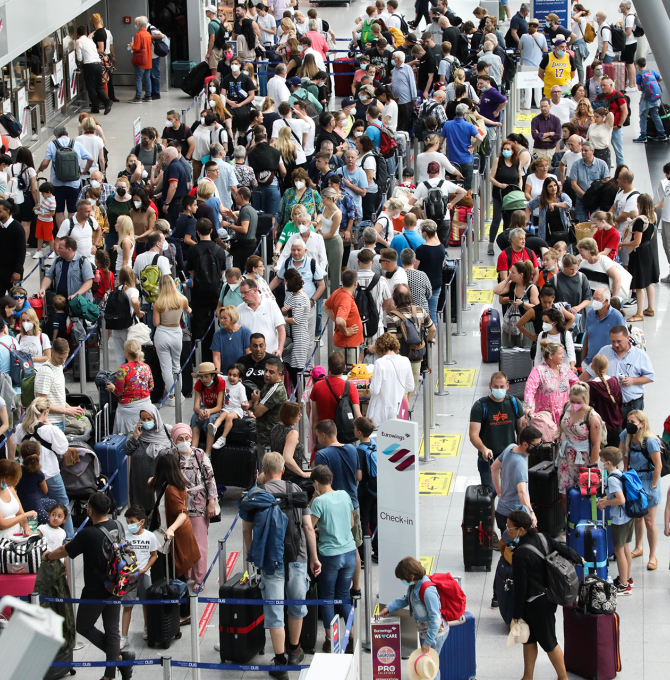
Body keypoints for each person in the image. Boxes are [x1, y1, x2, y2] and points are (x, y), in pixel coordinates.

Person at [240, 452, 319, 675]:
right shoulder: (296, 491)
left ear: (263, 471)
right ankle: (295, 651)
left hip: (269, 559)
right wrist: (313, 558)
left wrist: (252, 553)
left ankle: (280, 663)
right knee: (296, 605)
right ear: (283, 469)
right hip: (297, 557)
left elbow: (247, 530)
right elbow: (308, 528)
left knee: (274, 611)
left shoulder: (256, 494)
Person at [45, 492, 137, 679]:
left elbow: (65, 550)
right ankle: (111, 673)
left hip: (96, 590)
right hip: (117, 584)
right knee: (112, 630)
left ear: (89, 511)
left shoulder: (87, 533)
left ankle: (118, 660)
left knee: (84, 626)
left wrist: (46, 556)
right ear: (109, 509)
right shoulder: (117, 524)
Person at [508, 510, 582, 680]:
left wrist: (516, 615)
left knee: (549, 642)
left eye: (510, 528)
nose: (507, 531)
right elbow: (561, 548)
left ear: (521, 530)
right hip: (547, 598)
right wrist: (577, 557)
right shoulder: (542, 537)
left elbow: (521, 588)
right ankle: (527, 676)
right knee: (529, 639)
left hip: (535, 605)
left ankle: (563, 677)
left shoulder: (520, 554)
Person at [308, 463, 357, 651]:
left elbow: (310, 528)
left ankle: (330, 640)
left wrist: (314, 497)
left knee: (327, 598)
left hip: (330, 555)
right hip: (350, 552)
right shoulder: (345, 495)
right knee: (344, 595)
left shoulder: (320, 502)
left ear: (316, 483)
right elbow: (351, 523)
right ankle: (351, 637)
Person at [168, 423, 217, 588]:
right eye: (180, 439)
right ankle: (185, 573)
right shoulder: (170, 456)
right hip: (178, 504)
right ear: (174, 440)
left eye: (187, 438)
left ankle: (199, 578)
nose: (184, 441)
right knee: (182, 542)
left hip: (198, 504)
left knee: (199, 542)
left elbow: (210, 479)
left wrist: (211, 502)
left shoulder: (199, 454)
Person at [149, 455, 201, 599]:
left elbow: (182, 513)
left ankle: (181, 611)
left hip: (169, 539)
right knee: (176, 576)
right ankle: (182, 611)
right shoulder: (177, 485)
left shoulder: (171, 490)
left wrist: (171, 529)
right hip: (175, 538)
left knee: (169, 576)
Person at [469, 372, 524, 497]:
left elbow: (521, 430)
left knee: (512, 495)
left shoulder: (514, 404)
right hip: (488, 459)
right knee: (490, 495)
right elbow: (473, 434)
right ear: (490, 386)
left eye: (502, 387)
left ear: (507, 386)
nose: (499, 389)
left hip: (510, 458)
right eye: (496, 386)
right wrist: (483, 449)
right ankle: (491, 516)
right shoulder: (480, 406)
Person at [582, 325, 654, 417]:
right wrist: (575, 385)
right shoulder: (604, 351)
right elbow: (590, 371)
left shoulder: (640, 355)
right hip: (610, 407)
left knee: (630, 431)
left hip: (633, 405)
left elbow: (650, 377)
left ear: (628, 338)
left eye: (619, 341)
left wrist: (633, 381)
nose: (616, 345)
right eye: (613, 341)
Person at [622, 411, 661, 572]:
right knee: (637, 517)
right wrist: (624, 474)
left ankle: (653, 555)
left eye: (633, 421)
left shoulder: (650, 441)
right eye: (628, 420)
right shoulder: (627, 435)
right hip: (633, 480)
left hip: (648, 480)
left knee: (649, 521)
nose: (629, 423)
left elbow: (658, 465)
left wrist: (652, 486)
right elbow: (624, 455)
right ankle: (638, 547)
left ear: (642, 424)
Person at [119, 505, 160, 650]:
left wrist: (146, 568)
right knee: (127, 606)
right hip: (129, 577)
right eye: (128, 522)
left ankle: (147, 628)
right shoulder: (124, 536)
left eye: (132, 522)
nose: (129, 525)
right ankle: (124, 637)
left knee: (146, 603)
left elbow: (154, 555)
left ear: (141, 521)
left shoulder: (150, 536)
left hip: (145, 576)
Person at [38, 127, 93, 229]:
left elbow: (45, 163)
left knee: (59, 210)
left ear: (56, 135)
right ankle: (72, 232)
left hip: (57, 183)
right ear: (67, 134)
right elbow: (91, 159)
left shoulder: (52, 144)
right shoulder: (77, 144)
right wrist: (85, 170)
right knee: (72, 210)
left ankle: (62, 233)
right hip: (74, 183)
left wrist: (39, 170)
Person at [186, 218, 226, 354]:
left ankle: (199, 355)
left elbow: (191, 272)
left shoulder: (193, 250)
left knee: (199, 323)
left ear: (197, 232)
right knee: (218, 322)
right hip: (216, 292)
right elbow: (222, 272)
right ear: (211, 231)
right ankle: (215, 353)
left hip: (199, 292)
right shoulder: (220, 250)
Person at [557, 383, 602, 501]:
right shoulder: (567, 407)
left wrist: (592, 468)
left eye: (578, 402)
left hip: (583, 460)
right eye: (572, 401)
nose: (575, 405)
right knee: (564, 493)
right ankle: (567, 518)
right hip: (565, 458)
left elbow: (596, 443)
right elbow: (562, 426)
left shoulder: (592, 417)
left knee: (583, 494)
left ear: (586, 400)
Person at [619, 194, 659, 322]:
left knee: (640, 283)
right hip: (649, 250)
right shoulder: (653, 218)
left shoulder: (640, 221)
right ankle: (650, 308)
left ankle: (639, 313)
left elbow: (636, 242)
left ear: (639, 204)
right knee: (648, 282)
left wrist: (623, 244)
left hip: (639, 252)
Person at [124, 405, 170, 516]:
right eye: (143, 419)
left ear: (156, 418)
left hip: (160, 485)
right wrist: (135, 436)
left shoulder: (167, 431)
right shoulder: (136, 434)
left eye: (149, 419)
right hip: (140, 485)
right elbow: (127, 451)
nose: (146, 422)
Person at [386, 284, 435, 389]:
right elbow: (432, 328)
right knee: (412, 387)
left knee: (401, 388)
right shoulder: (419, 310)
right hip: (417, 354)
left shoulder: (392, 316)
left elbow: (392, 338)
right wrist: (429, 339)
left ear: (395, 298)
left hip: (400, 357)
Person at [152, 275, 190, 406]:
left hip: (162, 333)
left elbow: (156, 323)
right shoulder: (182, 299)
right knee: (176, 365)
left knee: (165, 367)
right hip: (176, 333)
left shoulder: (158, 302)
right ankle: (179, 393)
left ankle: (172, 395)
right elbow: (188, 310)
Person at [33, 338, 84, 433]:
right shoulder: (45, 372)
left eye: (65, 357)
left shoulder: (59, 367)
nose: (63, 361)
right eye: (60, 358)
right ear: (52, 352)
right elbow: (41, 404)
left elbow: (57, 397)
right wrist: (67, 411)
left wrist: (71, 409)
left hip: (60, 420)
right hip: (49, 422)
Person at [310, 352, 362, 442]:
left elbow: (315, 417)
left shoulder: (317, 386)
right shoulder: (351, 387)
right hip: (346, 436)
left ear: (329, 368)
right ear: (345, 368)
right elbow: (358, 415)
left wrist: (315, 441)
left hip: (325, 436)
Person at [525, 339, 579, 425]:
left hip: (565, 415)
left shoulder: (564, 368)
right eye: (560, 353)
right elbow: (530, 390)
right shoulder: (539, 370)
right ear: (551, 355)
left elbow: (576, 383)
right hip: (546, 418)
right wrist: (529, 407)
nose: (563, 356)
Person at [107, 339, 154, 436]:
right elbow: (151, 387)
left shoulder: (122, 370)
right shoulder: (146, 367)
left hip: (127, 410)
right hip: (146, 405)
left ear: (126, 352)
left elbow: (119, 392)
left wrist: (112, 388)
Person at [367, 332, 414, 423]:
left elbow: (374, 390)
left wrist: (372, 380)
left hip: (380, 411)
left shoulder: (380, 363)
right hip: (398, 409)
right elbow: (410, 387)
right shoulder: (405, 361)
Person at [248, 355, 287, 457]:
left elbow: (257, 412)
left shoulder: (276, 390)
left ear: (279, 374)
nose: (266, 374)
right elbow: (259, 403)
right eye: (265, 370)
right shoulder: (269, 385)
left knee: (268, 470)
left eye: (271, 372)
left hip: (270, 439)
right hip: (264, 437)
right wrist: (249, 405)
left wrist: (255, 402)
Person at [494, 261, 539, 347]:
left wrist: (522, 304)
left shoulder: (532, 288)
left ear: (521, 275)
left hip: (527, 324)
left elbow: (536, 307)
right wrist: (507, 279)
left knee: (526, 350)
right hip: (511, 322)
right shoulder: (512, 285)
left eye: (513, 272)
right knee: (509, 348)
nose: (510, 274)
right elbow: (496, 290)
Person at [324, 270, 364, 365]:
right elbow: (340, 321)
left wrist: (335, 319)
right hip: (348, 346)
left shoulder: (337, 292)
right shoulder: (346, 300)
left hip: (345, 344)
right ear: (355, 283)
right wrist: (346, 331)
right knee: (350, 373)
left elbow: (327, 306)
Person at [238, 279, 286, 356]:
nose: (242, 296)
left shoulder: (271, 304)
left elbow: (281, 329)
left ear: (255, 290)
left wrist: (280, 349)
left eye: (245, 292)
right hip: (249, 357)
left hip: (271, 355)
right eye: (241, 293)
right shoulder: (239, 309)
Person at [581, 288, 625, 369]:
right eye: (593, 299)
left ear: (606, 301)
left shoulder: (617, 317)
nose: (594, 302)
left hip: (608, 366)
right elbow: (587, 336)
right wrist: (583, 361)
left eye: (597, 299)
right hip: (589, 363)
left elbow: (623, 342)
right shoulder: (591, 314)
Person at [488, 140, 522, 249]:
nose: (506, 151)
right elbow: (491, 178)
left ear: (513, 151)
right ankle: (491, 244)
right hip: (499, 194)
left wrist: (519, 189)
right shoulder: (498, 161)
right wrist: (499, 184)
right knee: (496, 219)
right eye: (504, 149)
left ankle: (507, 245)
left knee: (509, 220)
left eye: (508, 149)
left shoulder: (517, 162)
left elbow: (519, 178)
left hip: (512, 196)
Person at [588, 354, 624, 447]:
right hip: (616, 426)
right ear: (607, 367)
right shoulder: (614, 380)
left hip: (600, 428)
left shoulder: (591, 386)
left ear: (592, 367)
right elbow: (620, 402)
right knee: (614, 457)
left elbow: (590, 408)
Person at [75, 26, 113, 115]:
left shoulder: (78, 41)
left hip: (89, 65)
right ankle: (107, 101)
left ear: (77, 34)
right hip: (98, 64)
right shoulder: (90, 40)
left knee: (91, 87)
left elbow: (79, 57)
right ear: (85, 33)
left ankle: (95, 107)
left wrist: (79, 63)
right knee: (98, 86)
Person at [570, 142, 610, 223]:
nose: (583, 152)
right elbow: (573, 184)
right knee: (581, 224)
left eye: (586, 150)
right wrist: (586, 195)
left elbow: (607, 181)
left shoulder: (602, 164)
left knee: (597, 223)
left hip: (597, 200)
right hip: (581, 199)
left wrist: (597, 187)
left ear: (592, 151)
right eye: (582, 150)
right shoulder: (576, 165)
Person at [270, 402, 310, 482]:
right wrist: (302, 473)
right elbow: (287, 458)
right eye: (298, 415)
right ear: (291, 417)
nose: (301, 416)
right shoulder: (292, 433)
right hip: (291, 476)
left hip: (278, 473)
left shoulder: (275, 428)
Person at [211, 305, 252, 374]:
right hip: (224, 373)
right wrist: (217, 376)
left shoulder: (245, 332)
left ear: (232, 318)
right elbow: (217, 358)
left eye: (225, 318)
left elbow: (249, 355)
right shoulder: (218, 334)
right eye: (221, 318)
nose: (221, 321)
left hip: (241, 374)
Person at [600, 76, 628, 167]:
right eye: (601, 85)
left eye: (604, 85)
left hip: (616, 128)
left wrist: (619, 126)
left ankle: (621, 169)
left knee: (618, 150)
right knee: (603, 149)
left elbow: (625, 111)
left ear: (611, 85)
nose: (602, 87)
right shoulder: (600, 97)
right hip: (604, 128)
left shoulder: (619, 96)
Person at [390, 52, 417, 133]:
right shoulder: (394, 69)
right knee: (398, 122)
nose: (392, 60)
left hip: (406, 100)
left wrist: (414, 98)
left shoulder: (407, 68)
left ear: (398, 59)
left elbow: (412, 83)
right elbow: (393, 83)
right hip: (396, 100)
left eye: (393, 58)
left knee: (405, 123)